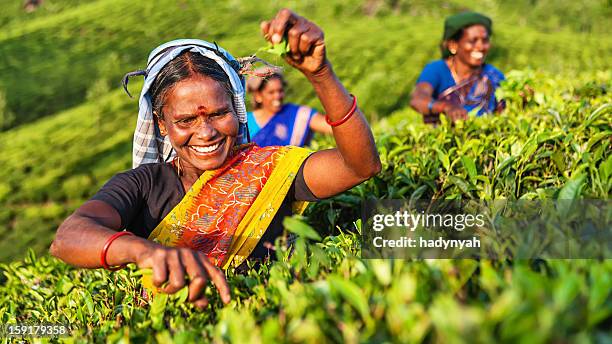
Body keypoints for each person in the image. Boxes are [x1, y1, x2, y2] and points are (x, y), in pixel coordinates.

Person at [50, 9, 381, 309]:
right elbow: (69, 236)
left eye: (219, 114)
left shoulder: (269, 170)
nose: (206, 132)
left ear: (237, 112)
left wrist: (321, 74)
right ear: (162, 124)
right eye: (185, 121)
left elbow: (360, 166)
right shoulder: (144, 185)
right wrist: (145, 251)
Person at [410, 12, 505, 124]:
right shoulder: (436, 69)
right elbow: (418, 99)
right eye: (472, 41)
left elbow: (502, 112)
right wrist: (446, 107)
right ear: (453, 46)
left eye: (485, 41)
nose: (480, 47)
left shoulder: (493, 75)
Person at [246, 68, 332, 147]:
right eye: (271, 92)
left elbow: (330, 127)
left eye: (280, 91)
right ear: (258, 96)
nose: (277, 96)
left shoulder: (297, 114)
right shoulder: (245, 123)